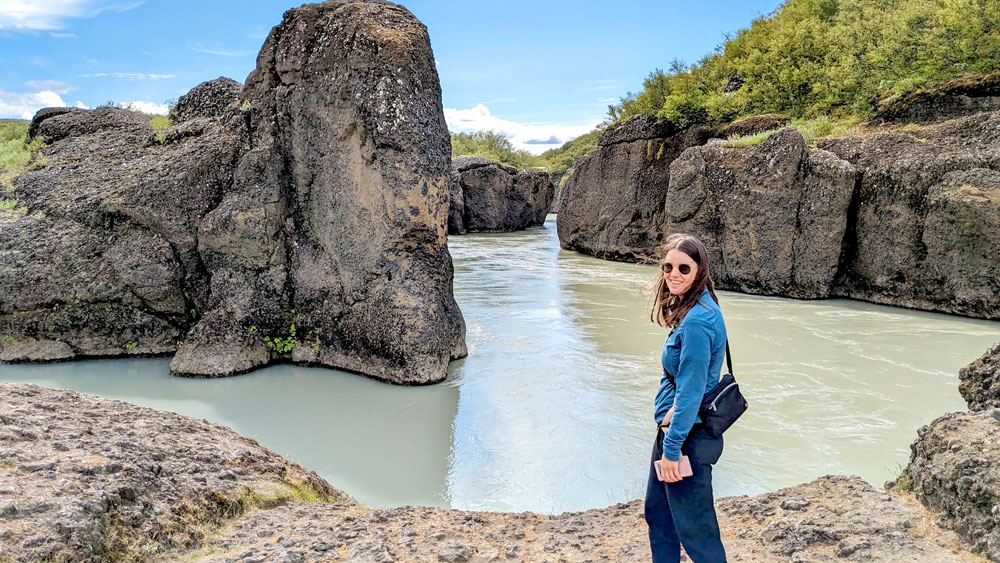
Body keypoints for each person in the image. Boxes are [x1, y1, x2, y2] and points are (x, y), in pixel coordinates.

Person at [644, 233, 728, 563]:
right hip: (677, 432)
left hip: (686, 436)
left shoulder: (698, 321)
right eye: (668, 266)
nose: (673, 274)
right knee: (660, 518)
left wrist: (672, 449)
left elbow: (691, 393)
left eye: (684, 267)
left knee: (697, 533)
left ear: (700, 270)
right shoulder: (698, 306)